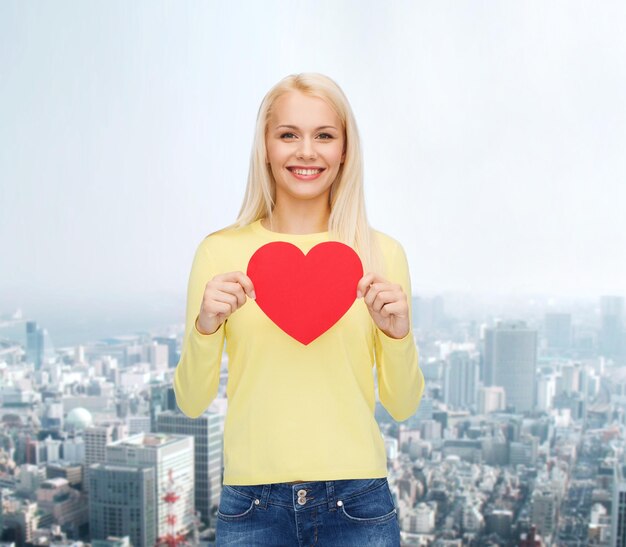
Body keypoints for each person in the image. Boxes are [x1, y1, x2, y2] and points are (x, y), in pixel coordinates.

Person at [173, 72, 425, 546]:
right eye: (288, 134)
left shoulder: (382, 253)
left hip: (359, 503)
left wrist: (398, 336)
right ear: (265, 147)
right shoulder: (218, 252)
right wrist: (206, 328)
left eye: (324, 136)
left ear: (344, 150)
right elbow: (190, 400)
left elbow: (403, 403)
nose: (306, 151)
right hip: (252, 505)